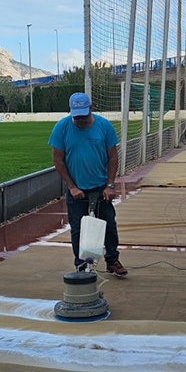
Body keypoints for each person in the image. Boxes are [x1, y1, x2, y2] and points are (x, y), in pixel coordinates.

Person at [49, 92, 128, 277]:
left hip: (100, 187)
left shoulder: (104, 126)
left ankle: (112, 260)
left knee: (108, 225)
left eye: (84, 115)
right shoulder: (62, 128)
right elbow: (58, 161)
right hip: (76, 189)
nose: (81, 120)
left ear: (91, 109)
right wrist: (72, 187)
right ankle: (81, 264)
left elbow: (112, 157)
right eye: (77, 116)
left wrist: (110, 185)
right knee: (77, 228)